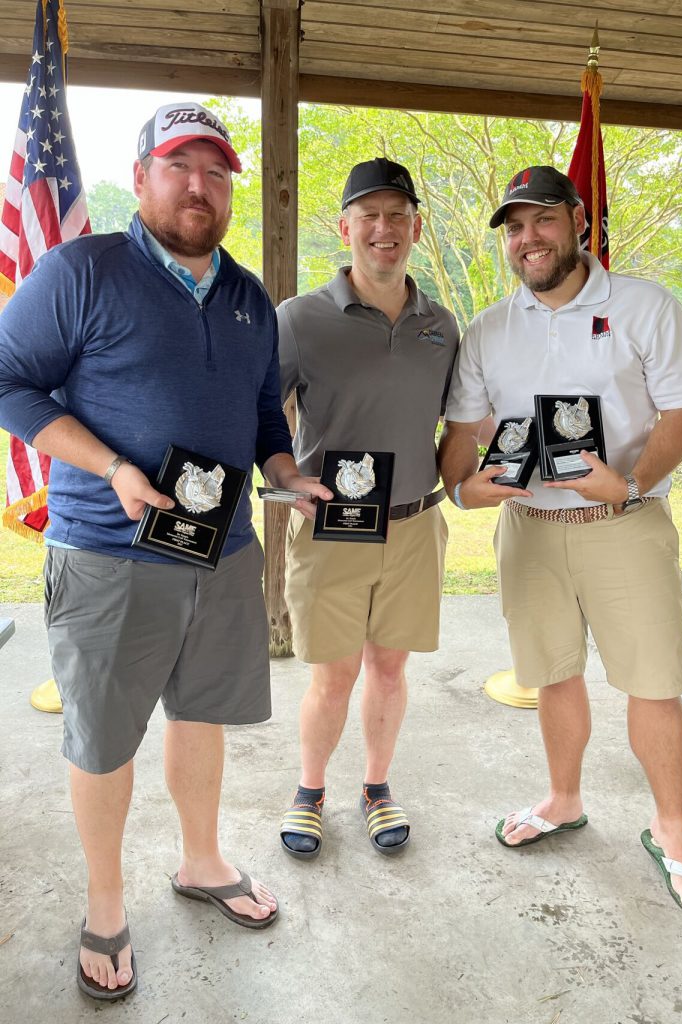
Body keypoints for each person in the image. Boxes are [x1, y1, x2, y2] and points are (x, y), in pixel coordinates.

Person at [0, 101, 330, 1001]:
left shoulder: (248, 296)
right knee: (104, 738)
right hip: (108, 554)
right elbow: (10, 381)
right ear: (142, 176)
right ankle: (105, 904)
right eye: (179, 166)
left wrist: (285, 472)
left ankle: (202, 860)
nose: (199, 185)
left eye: (215, 171)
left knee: (200, 716)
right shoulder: (83, 270)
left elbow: (266, 416)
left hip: (220, 552)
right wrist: (110, 466)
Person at [438, 165, 682, 917]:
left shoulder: (643, 305)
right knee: (554, 676)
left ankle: (671, 829)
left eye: (543, 221)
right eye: (515, 227)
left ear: (577, 219)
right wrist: (465, 489)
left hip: (623, 525)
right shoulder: (491, 329)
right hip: (529, 528)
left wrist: (627, 485)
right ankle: (564, 800)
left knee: (653, 683)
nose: (529, 239)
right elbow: (464, 432)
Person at [276, 158, 459, 859]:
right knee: (334, 674)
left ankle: (377, 787)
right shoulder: (299, 318)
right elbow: (266, 415)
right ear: (345, 226)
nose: (384, 229)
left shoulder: (440, 324)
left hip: (415, 525)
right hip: (332, 529)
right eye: (369, 216)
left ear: (415, 226)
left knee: (389, 669)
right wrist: (283, 473)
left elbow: (460, 424)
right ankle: (310, 791)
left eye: (397, 216)